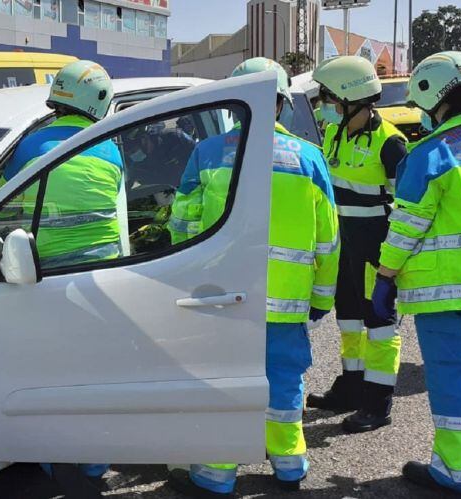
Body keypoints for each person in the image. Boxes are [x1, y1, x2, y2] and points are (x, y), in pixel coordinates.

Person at [167, 58, 339, 496]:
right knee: (284, 381)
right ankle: (289, 465)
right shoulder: (310, 159)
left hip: (222, 299)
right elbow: (328, 242)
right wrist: (321, 299)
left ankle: (216, 472)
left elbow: (182, 226)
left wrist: (182, 281)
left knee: (223, 381)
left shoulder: (207, 153)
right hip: (286, 300)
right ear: (281, 104)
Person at [2, 60, 122, 493]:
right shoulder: (109, 145)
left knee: (51, 375)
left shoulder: (30, 145)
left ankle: (53, 460)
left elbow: (5, 198)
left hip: (40, 275)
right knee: (97, 376)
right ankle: (94, 464)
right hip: (102, 276)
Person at [371, 51, 461, 497]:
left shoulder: (431, 155)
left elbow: (405, 230)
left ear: (433, 96)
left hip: (450, 295)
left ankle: (457, 473)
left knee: (457, 380)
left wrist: (384, 278)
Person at [305, 56, 409, 433]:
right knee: (348, 319)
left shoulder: (391, 145)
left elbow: (407, 210)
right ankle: (351, 386)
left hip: (374, 251)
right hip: (344, 247)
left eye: (331, 101)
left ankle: (377, 403)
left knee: (379, 325)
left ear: (352, 99)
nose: (327, 109)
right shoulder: (334, 133)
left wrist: (392, 265)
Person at [2, 60, 128, 268]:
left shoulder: (31, 145)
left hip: (45, 267)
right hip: (105, 263)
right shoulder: (111, 151)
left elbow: (3, 209)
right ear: (101, 99)